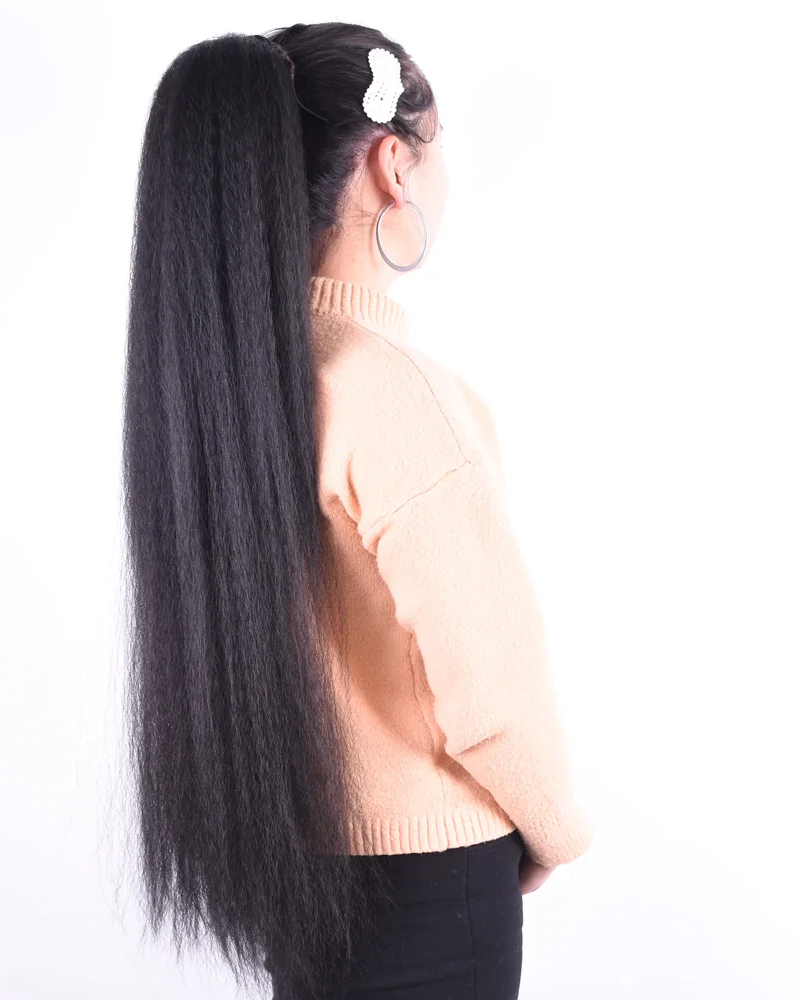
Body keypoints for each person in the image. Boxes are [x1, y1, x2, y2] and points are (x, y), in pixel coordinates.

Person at [121, 22, 593, 1000]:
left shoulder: (227, 392)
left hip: (299, 876)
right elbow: (492, 689)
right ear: (391, 165)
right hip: (436, 889)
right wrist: (555, 829)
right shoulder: (390, 393)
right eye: (436, 143)